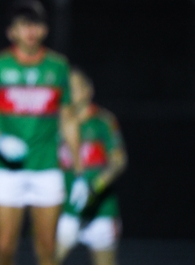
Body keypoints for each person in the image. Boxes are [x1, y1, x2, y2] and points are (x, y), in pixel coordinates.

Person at [0, 0, 79, 265]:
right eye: (24, 25)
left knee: (47, 250)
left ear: (44, 29)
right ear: (12, 32)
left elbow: (68, 120)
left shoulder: (58, 66)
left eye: (36, 25)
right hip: (6, 169)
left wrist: (78, 170)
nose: (31, 31)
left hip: (47, 167)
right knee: (4, 249)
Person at [55, 68, 126, 265]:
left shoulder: (103, 121)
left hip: (101, 210)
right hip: (67, 209)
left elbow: (118, 161)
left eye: (74, 88)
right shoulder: (57, 124)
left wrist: (96, 187)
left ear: (88, 90)